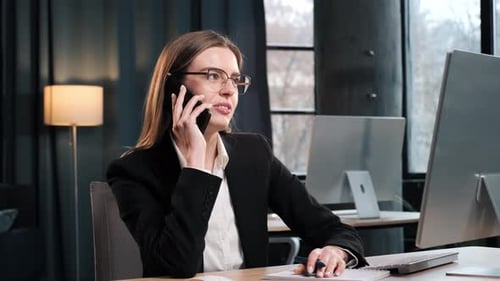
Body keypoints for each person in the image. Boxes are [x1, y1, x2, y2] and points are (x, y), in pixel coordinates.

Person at [107, 30, 368, 278]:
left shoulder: (253, 153)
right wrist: (196, 164)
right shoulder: (134, 170)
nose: (229, 90)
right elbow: (178, 264)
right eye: (212, 76)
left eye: (234, 78)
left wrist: (336, 251)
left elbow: (333, 229)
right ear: (174, 87)